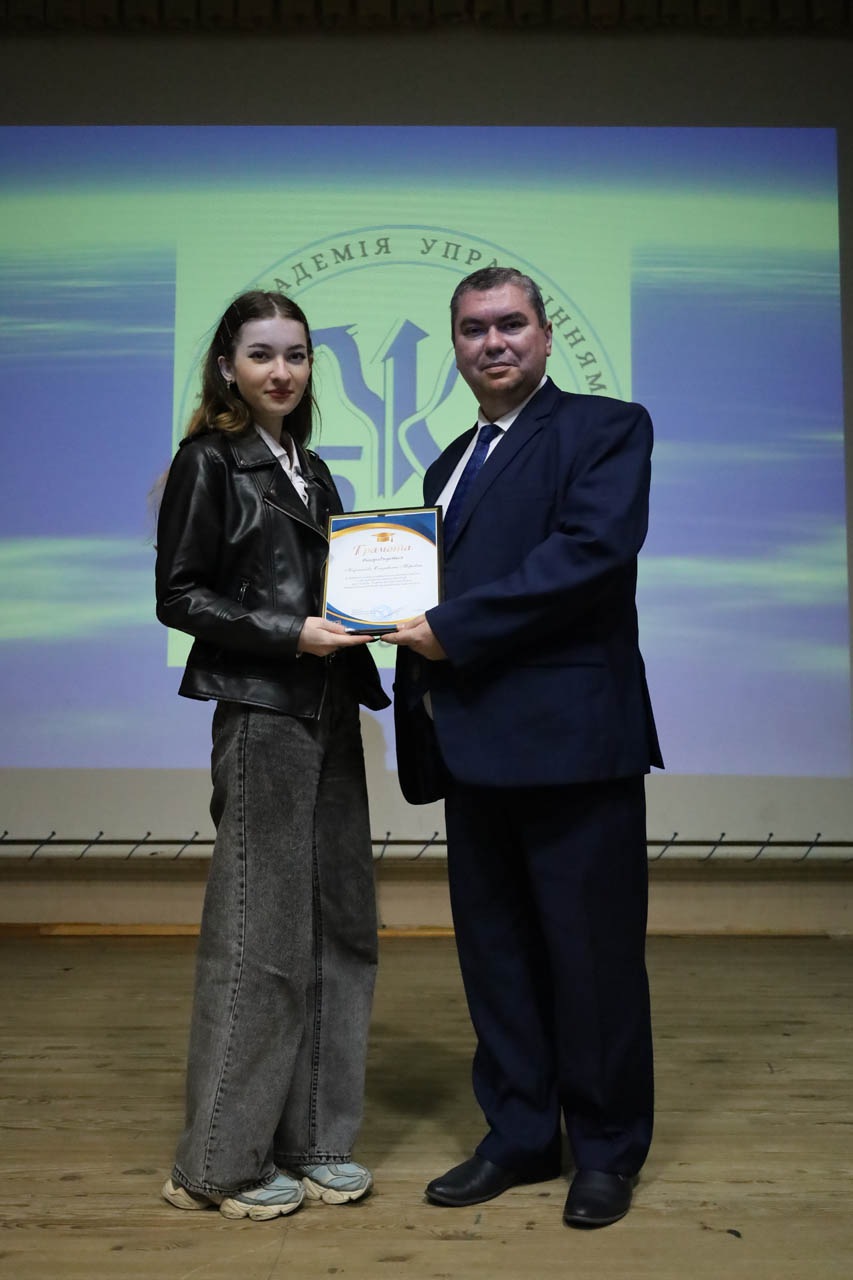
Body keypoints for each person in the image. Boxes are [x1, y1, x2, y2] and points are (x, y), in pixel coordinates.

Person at [386, 266, 662, 1229]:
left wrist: (449, 628)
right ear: (455, 347)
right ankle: (519, 1135)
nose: (492, 342)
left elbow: (587, 555)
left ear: (544, 336)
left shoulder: (607, 429)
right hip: (471, 745)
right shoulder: (446, 464)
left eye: (509, 324)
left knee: (592, 963)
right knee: (496, 959)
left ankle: (606, 1150)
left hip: (572, 745)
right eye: (473, 329)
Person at [155, 290, 389, 1222]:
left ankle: (314, 1138)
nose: (281, 371)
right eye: (261, 354)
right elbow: (179, 595)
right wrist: (290, 633)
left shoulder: (313, 469)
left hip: (328, 710)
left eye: (295, 354)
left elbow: (338, 587)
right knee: (260, 936)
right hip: (261, 714)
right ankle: (217, 1164)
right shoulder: (208, 461)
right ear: (227, 367)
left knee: (341, 926)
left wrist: (380, 616)